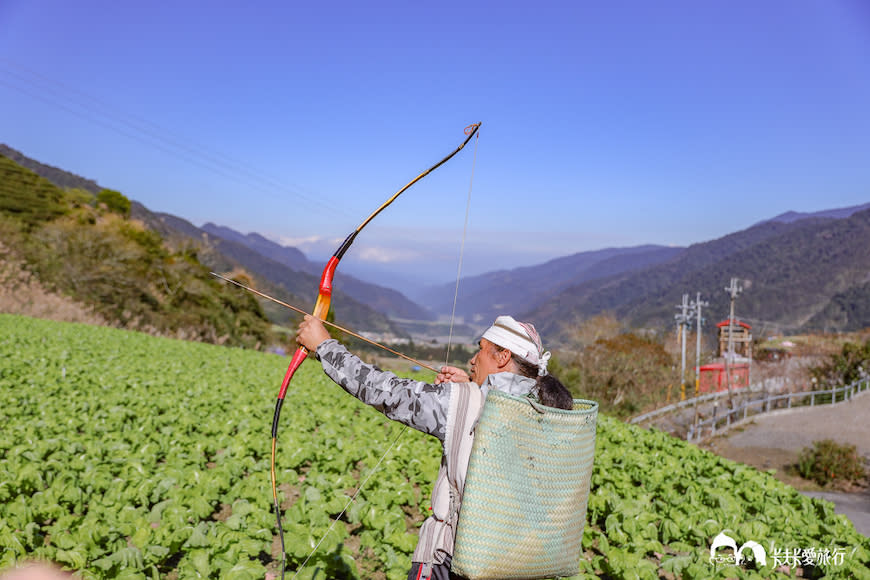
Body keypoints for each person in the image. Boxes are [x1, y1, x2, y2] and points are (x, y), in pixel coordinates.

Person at [295, 314, 573, 580]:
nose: (473, 360)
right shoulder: (548, 407)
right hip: (518, 566)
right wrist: (471, 387)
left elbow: (384, 391)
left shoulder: (466, 402)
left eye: (482, 350)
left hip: (450, 561)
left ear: (503, 357)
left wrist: (324, 346)